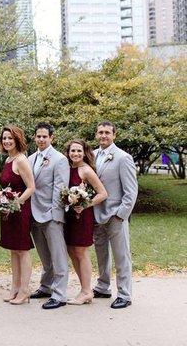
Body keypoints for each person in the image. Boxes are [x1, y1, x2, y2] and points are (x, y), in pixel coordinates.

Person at [92, 121, 138, 309]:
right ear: (96, 135)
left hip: (116, 215)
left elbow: (131, 190)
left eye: (107, 132)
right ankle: (103, 287)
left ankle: (125, 294)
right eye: (100, 132)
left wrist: (121, 214)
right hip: (96, 214)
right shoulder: (92, 155)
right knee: (101, 253)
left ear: (114, 135)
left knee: (121, 255)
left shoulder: (123, 157)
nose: (103, 135)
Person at [27, 123, 70, 310]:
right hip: (34, 213)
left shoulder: (59, 159)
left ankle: (59, 295)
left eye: (45, 136)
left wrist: (56, 215)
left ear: (52, 138)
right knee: (44, 255)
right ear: (35, 138)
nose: (41, 139)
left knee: (58, 256)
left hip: (51, 214)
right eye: (38, 136)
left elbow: (60, 188)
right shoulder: (30, 158)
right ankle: (46, 286)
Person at [63, 139, 108, 305]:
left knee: (81, 252)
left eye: (79, 151)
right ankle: (85, 289)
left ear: (84, 153)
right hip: (68, 217)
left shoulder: (86, 170)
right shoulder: (66, 168)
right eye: (72, 151)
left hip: (82, 217)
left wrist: (85, 204)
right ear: (68, 153)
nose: (75, 154)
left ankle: (87, 291)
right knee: (71, 251)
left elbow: (102, 193)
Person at [0, 125, 35, 305]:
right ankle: (15, 287)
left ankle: (25, 289)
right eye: (4, 138)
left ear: (17, 139)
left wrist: (16, 202)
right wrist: (1, 198)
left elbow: (31, 187)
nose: (6, 141)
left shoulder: (21, 160)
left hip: (20, 210)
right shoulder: (7, 160)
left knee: (22, 249)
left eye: (10, 138)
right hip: (8, 210)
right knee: (13, 249)